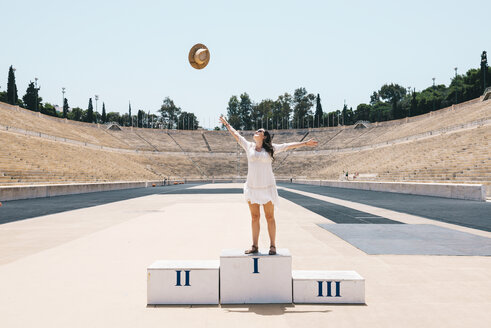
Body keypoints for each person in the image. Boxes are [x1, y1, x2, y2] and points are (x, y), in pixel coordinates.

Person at [219, 116, 318, 255]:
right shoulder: (249, 146)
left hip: (267, 188)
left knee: (269, 217)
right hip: (253, 188)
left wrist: (305, 143)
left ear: (264, 137)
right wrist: (227, 124)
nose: (256, 131)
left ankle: (272, 246)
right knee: (254, 217)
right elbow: (236, 135)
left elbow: (288, 145)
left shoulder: (271, 149)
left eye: (259, 131)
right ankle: (254, 246)